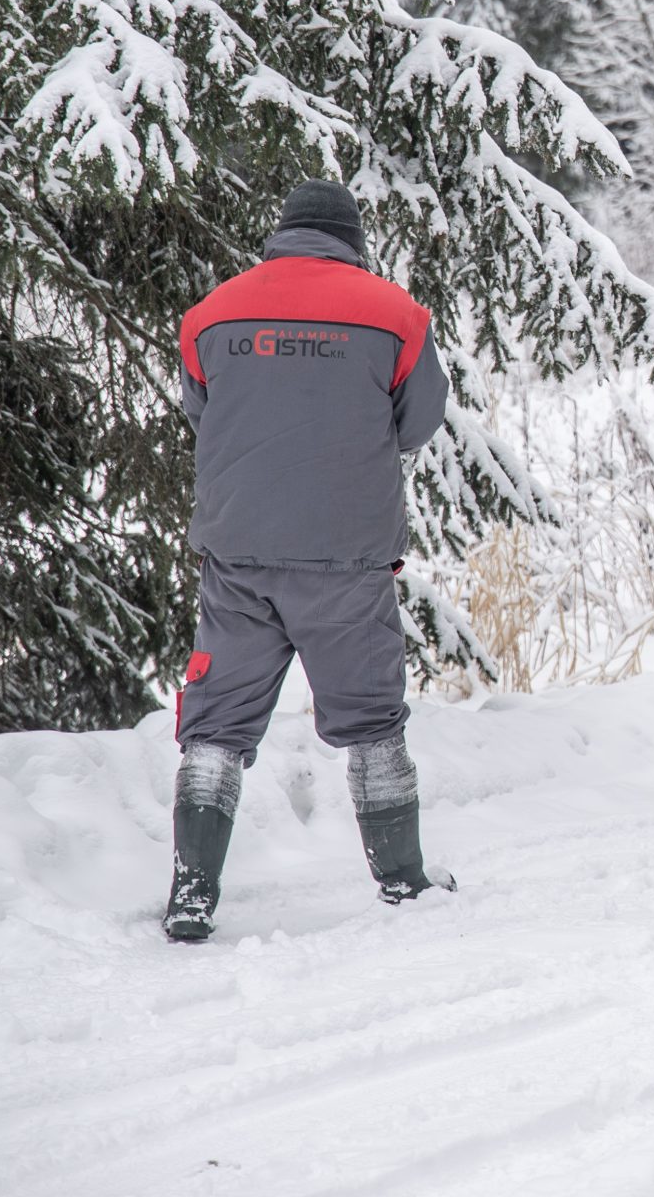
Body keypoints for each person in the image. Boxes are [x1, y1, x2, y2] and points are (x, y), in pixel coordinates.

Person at [165, 180, 453, 941]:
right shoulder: (398, 315)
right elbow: (418, 421)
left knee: (216, 727)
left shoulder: (212, 313)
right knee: (371, 723)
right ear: (352, 240)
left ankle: (192, 896)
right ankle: (403, 882)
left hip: (238, 558)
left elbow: (202, 411)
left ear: (281, 234)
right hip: (346, 560)